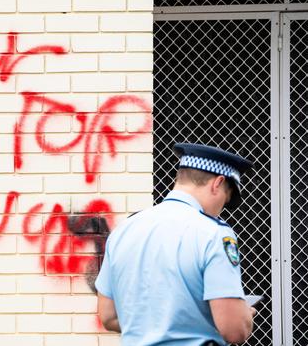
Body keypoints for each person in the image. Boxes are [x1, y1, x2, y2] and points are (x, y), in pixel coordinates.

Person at [95, 142, 257, 345]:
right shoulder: (213, 233)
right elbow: (234, 331)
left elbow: (108, 316)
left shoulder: (124, 229)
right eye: (226, 198)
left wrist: (157, 324)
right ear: (217, 183)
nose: (221, 208)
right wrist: (244, 317)